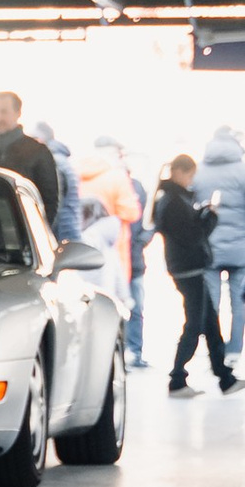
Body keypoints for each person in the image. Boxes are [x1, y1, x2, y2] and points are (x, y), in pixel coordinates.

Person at [153, 154, 233, 394]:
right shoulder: (174, 201)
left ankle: (224, 377)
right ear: (179, 172)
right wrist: (210, 218)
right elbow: (193, 236)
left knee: (209, 323)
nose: (191, 180)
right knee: (196, 323)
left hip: (186, 267)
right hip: (188, 268)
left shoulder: (171, 199)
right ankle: (177, 378)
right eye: (189, 175)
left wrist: (201, 215)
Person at [81, 135, 145, 363]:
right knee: (114, 306)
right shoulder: (117, 177)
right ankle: (115, 355)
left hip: (81, 252)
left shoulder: (78, 173)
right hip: (113, 250)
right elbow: (132, 213)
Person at [0, 88, 61, 224]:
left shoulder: (38, 152)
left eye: (3, 112)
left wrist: (35, 237)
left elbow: (49, 203)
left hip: (23, 237)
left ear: (18, 113)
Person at [196, 122, 245, 367]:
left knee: (211, 301)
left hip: (209, 248)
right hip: (240, 249)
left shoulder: (200, 170)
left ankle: (213, 351)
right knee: (239, 302)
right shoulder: (242, 169)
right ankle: (235, 350)